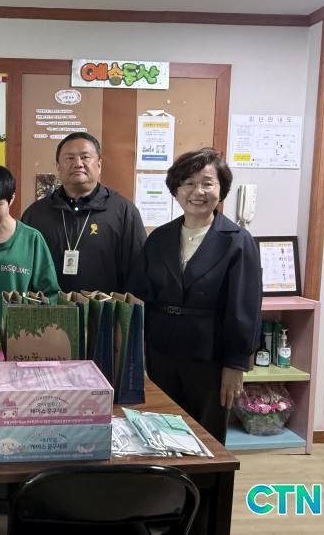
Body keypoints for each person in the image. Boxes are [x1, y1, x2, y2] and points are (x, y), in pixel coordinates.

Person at [130, 148, 262, 444]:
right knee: (162, 429)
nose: (197, 191)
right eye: (188, 182)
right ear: (176, 190)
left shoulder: (237, 242)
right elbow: (140, 296)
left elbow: (245, 309)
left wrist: (235, 365)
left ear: (221, 189)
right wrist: (137, 352)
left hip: (211, 358)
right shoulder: (159, 238)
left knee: (206, 436)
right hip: (161, 352)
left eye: (207, 183)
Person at [21, 132, 147, 293]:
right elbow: (24, 271)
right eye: (70, 158)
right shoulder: (36, 214)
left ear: (99, 165)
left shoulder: (124, 212)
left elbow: (138, 274)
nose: (78, 164)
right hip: (50, 308)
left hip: (104, 308)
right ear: (58, 166)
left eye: (85, 157)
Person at [0, 165, 59, 327]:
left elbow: (50, 293)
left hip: (22, 334)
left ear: (11, 199)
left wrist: (36, 327)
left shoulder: (32, 239)